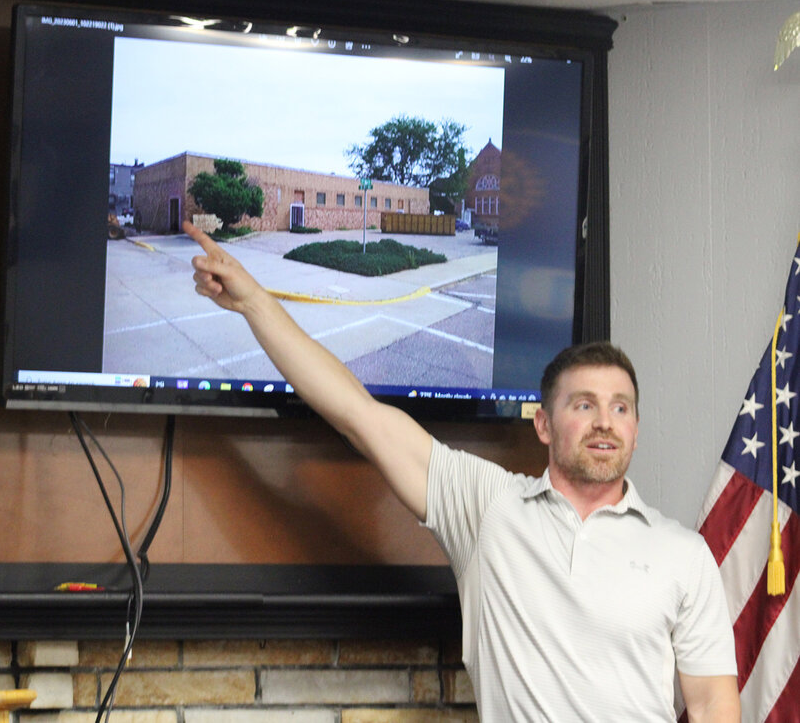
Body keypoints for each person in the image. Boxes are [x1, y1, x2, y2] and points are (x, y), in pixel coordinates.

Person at [182, 220, 740, 722]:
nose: (604, 422)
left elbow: (714, 704)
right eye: (583, 405)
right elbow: (359, 414)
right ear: (543, 424)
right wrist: (255, 302)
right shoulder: (487, 507)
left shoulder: (683, 555)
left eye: (621, 407)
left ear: (636, 427)